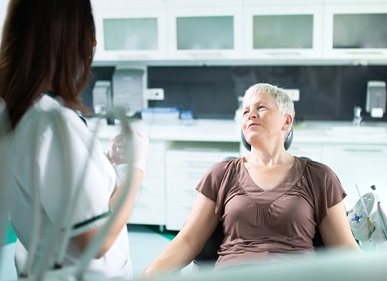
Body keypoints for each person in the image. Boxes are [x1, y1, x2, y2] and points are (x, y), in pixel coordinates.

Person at [0, 0, 148, 279]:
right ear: (66, 40)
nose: (93, 44)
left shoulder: (18, 113)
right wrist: (137, 167)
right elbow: (96, 240)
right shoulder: (50, 126)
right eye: (87, 31)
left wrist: (101, 163)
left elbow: (48, 191)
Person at [141, 83, 360, 278]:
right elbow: (188, 241)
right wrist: (150, 273)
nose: (250, 115)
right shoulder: (221, 174)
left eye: (261, 108)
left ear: (286, 121)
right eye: (245, 111)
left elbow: (345, 249)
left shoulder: (319, 177)